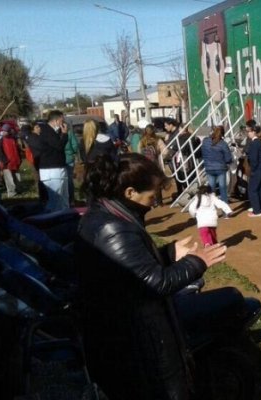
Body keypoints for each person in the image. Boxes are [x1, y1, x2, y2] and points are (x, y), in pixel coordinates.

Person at [76, 153, 227, 400]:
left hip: (124, 335)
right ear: (130, 192)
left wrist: (168, 253)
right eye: (152, 195)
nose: (155, 201)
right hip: (134, 341)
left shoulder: (107, 213)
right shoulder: (113, 228)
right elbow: (155, 283)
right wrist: (198, 261)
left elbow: (129, 269)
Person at [38, 110, 69, 211]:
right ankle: (53, 219)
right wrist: (64, 134)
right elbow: (59, 146)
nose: (63, 123)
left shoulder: (53, 132)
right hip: (52, 171)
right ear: (55, 120)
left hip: (58, 169)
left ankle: (65, 216)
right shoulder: (46, 131)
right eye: (61, 120)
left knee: (63, 199)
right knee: (55, 201)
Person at [164, 119, 201, 200]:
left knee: (184, 179)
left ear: (183, 129)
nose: (179, 130)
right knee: (190, 179)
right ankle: (190, 196)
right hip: (190, 160)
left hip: (184, 161)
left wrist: (168, 154)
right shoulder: (193, 137)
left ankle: (189, 197)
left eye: (180, 129)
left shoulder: (183, 138)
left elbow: (177, 148)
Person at [244, 119, 261, 217]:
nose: (248, 133)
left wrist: (253, 170)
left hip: (258, 168)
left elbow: (253, 159)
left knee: (252, 189)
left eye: (248, 131)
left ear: (253, 131)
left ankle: (257, 211)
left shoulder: (254, 143)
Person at [201, 125, 232, 204]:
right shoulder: (223, 144)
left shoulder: (205, 141)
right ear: (222, 134)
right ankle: (225, 212)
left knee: (211, 190)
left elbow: (203, 153)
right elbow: (228, 159)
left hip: (209, 168)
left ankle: (211, 208)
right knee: (223, 190)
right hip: (221, 168)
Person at [138, 123, 166, 205]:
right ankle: (159, 201)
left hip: (145, 165)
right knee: (157, 182)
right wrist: (161, 157)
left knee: (149, 183)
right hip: (155, 164)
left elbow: (139, 152)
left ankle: (151, 201)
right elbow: (165, 152)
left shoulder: (142, 140)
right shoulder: (158, 140)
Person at [0, 124, 21, 198]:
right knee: (9, 178)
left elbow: (17, 150)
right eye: (3, 130)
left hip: (15, 161)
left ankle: (18, 190)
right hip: (6, 163)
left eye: (6, 131)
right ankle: (11, 193)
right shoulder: (0, 139)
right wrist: (4, 161)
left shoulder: (13, 138)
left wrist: (19, 159)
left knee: (17, 177)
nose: (4, 132)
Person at [64, 125, 80, 205]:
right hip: (69, 158)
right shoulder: (70, 133)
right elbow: (75, 145)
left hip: (59, 159)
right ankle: (71, 199)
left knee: (63, 180)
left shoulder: (55, 133)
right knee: (69, 180)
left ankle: (65, 199)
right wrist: (73, 153)